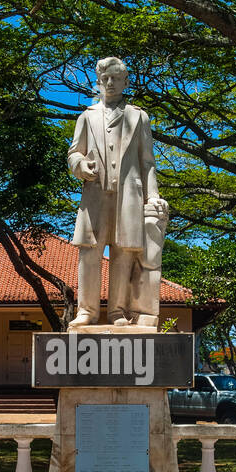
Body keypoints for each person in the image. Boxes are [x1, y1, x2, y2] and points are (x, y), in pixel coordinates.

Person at [66, 56, 166, 328]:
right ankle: (86, 310)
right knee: (89, 252)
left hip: (129, 197)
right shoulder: (87, 116)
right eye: (105, 78)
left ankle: (117, 311)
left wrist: (153, 196)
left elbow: (147, 162)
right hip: (96, 196)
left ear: (125, 81)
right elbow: (74, 152)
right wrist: (79, 165)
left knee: (124, 253)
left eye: (115, 78)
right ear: (99, 80)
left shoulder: (138, 116)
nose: (110, 83)